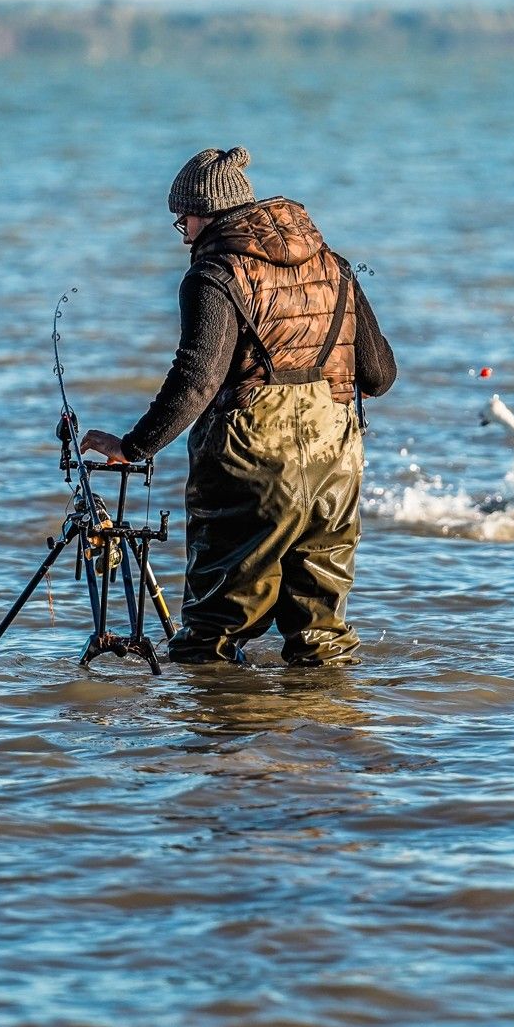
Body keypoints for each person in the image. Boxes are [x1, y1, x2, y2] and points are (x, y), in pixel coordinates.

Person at [78, 147, 395, 666]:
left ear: (209, 212)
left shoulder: (215, 275)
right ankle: (328, 739)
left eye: (184, 217)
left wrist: (133, 446)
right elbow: (380, 376)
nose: (181, 230)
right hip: (335, 473)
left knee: (211, 637)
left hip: (252, 472)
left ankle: (223, 745)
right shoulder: (334, 268)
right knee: (322, 639)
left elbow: (197, 380)